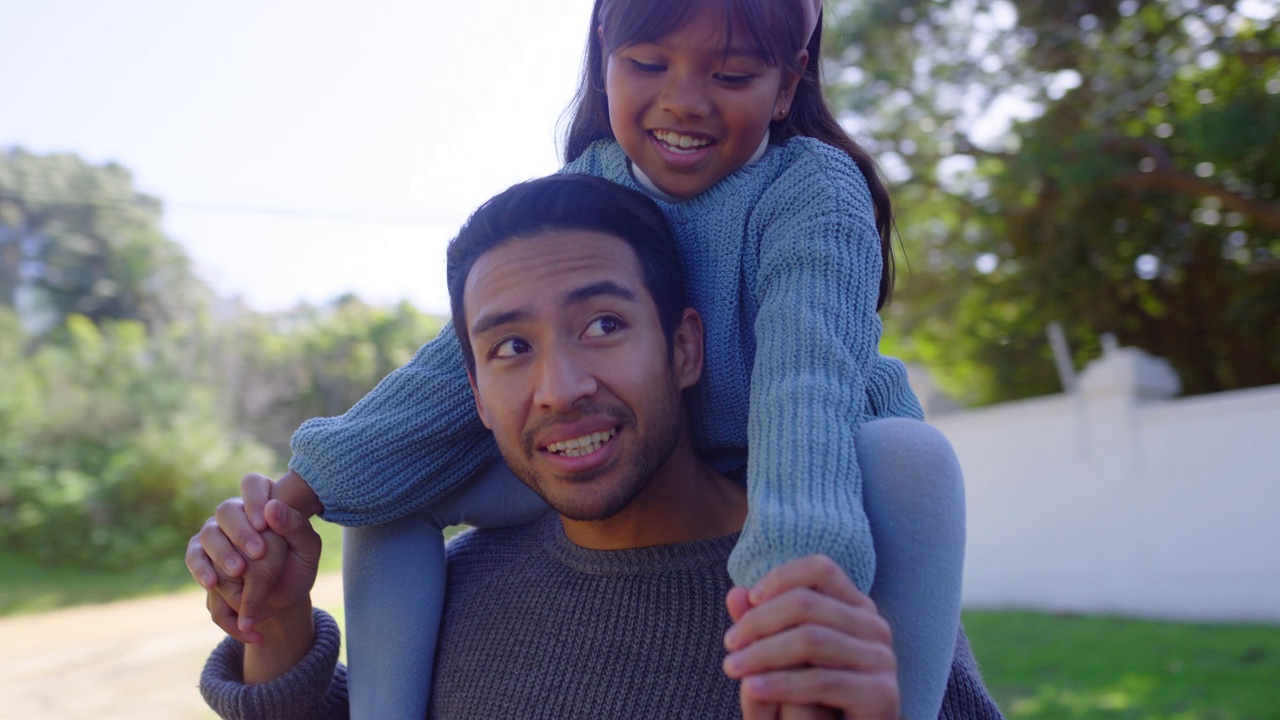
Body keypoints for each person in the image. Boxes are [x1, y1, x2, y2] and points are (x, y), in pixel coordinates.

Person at [193, 1, 970, 717]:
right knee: (396, 490)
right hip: (632, 453)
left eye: (730, 74)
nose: (684, 100)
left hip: (814, 455)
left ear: (784, 84)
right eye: (649, 64)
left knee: (909, 457)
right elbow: (437, 383)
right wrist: (280, 511)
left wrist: (793, 585)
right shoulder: (578, 192)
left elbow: (806, 385)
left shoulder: (809, 188)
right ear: (604, 56)